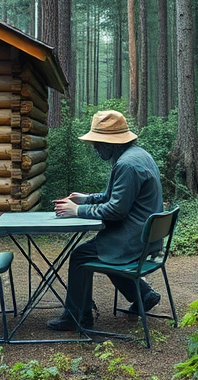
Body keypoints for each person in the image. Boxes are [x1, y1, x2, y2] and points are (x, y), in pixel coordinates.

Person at [47, 110, 164, 331]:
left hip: (132, 239)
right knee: (100, 253)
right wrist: (86, 198)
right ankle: (144, 294)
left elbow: (116, 210)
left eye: (98, 142)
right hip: (144, 236)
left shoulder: (127, 165)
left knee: (80, 256)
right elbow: (115, 195)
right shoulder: (136, 155)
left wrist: (78, 211)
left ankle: (76, 317)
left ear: (111, 142)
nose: (95, 147)